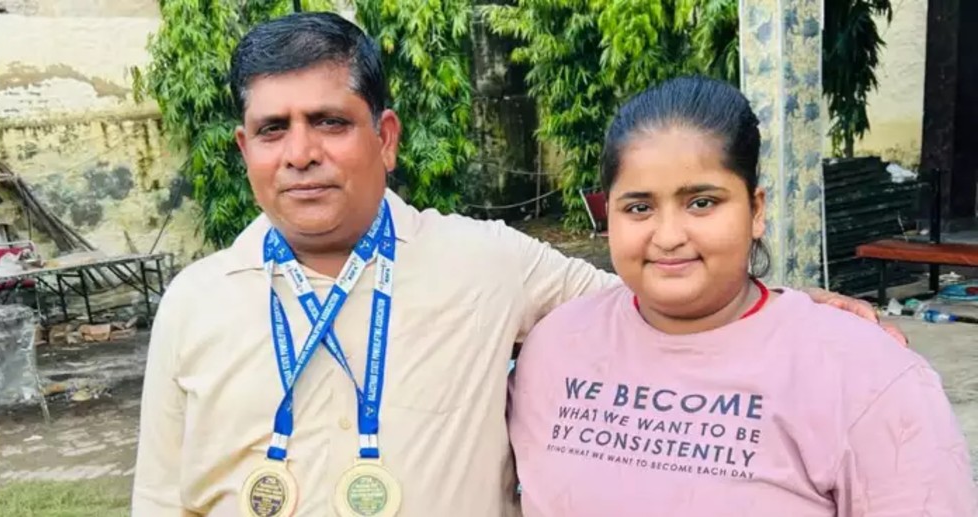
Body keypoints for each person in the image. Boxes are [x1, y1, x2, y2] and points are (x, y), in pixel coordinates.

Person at [131, 12, 906, 517]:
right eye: (273, 129)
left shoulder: (487, 262)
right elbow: (160, 498)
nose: (300, 152)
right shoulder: (196, 302)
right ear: (246, 150)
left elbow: (662, 291)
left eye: (330, 121)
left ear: (387, 137)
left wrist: (796, 310)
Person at [508, 76, 976, 516]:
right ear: (608, 214)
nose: (668, 235)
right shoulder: (555, 350)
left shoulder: (868, 376)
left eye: (702, 203)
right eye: (639, 207)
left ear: (755, 210)